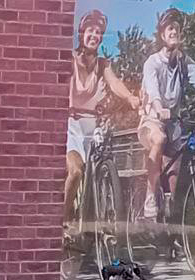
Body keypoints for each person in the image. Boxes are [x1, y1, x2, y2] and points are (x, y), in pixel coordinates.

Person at [138, 8, 195, 219]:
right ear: (162, 35)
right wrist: (159, 108)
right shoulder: (152, 62)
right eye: (170, 28)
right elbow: (153, 91)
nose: (174, 32)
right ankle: (150, 195)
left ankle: (173, 219)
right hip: (152, 120)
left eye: (177, 29)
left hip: (173, 123)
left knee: (176, 175)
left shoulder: (185, 63)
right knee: (159, 138)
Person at [65, 9, 139, 225]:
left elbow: (114, 83)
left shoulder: (102, 64)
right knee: (76, 171)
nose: (94, 36)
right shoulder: (70, 60)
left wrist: (130, 97)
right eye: (91, 31)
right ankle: (62, 221)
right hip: (71, 124)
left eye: (98, 32)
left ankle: (95, 216)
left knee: (98, 166)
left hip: (92, 124)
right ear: (82, 33)